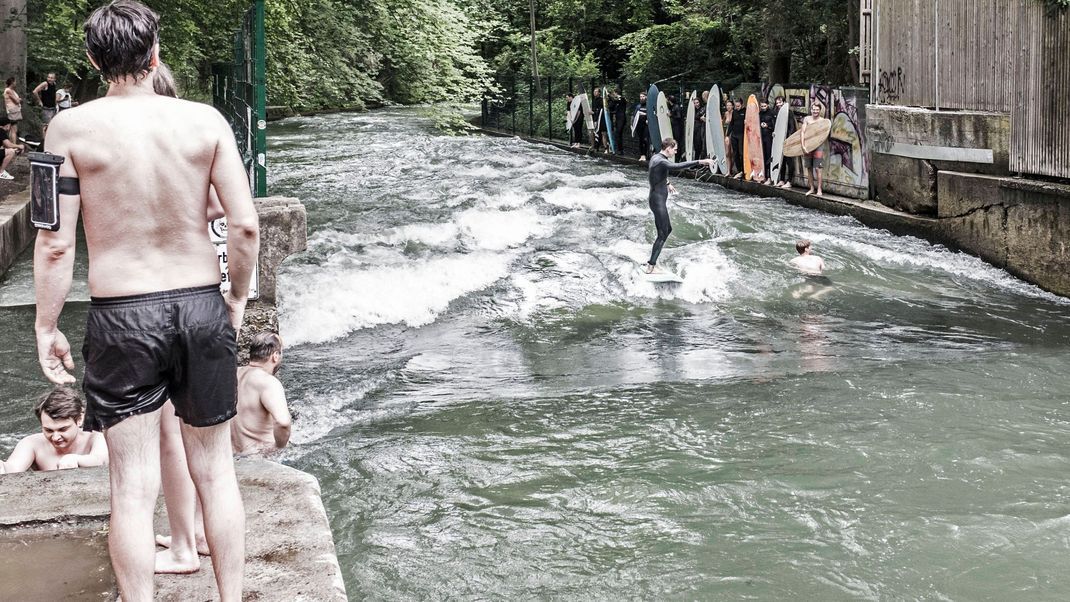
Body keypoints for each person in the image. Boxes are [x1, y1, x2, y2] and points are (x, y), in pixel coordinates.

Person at [34, 3, 259, 601]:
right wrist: (234, 296)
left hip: (122, 312)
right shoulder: (206, 121)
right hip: (199, 304)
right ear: (156, 52)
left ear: (91, 60)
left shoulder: (68, 129)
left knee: (131, 487)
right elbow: (244, 225)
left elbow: (55, 243)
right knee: (216, 471)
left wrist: (45, 325)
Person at [645, 138, 714, 273]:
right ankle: (651, 266)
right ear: (668, 148)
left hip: (656, 199)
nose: (675, 152)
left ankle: (652, 262)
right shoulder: (661, 160)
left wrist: (667, 183)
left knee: (667, 230)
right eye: (675, 149)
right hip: (657, 201)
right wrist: (700, 161)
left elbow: (657, 173)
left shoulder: (656, 158)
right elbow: (676, 167)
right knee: (663, 233)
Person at [1, 388, 109, 473]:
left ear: (80, 419)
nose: (55, 437)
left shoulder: (96, 438)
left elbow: (100, 460)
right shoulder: (32, 444)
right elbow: (11, 469)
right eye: (48, 430)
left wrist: (76, 459)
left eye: (63, 429)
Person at [231, 332, 292, 455]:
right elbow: (283, 422)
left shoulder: (231, 374)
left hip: (234, 456)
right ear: (275, 356)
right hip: (262, 457)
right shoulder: (267, 382)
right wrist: (280, 448)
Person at [802, 100, 825, 196]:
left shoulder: (823, 121)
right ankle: (811, 188)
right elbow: (802, 132)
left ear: (820, 110)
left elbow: (824, 134)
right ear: (811, 110)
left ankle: (819, 189)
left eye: (817, 109)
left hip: (818, 146)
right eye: (813, 109)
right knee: (809, 167)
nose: (815, 111)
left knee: (818, 168)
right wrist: (803, 145)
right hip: (808, 145)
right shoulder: (807, 119)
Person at [773, 96, 796, 188]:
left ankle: (789, 181)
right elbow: (775, 126)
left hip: (787, 141)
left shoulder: (789, 113)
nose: (778, 105)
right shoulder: (776, 113)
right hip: (779, 141)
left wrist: (788, 139)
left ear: (784, 102)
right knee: (780, 160)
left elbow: (792, 127)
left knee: (789, 161)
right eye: (777, 103)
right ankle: (781, 180)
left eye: (780, 102)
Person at [758, 97, 775, 184]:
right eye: (762, 106)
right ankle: (764, 176)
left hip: (769, 138)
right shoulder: (760, 113)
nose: (763, 107)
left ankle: (770, 177)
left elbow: (775, 125)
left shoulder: (772, 113)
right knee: (763, 157)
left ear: (767, 105)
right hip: (762, 138)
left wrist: (767, 125)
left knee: (769, 157)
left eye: (764, 106)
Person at [728, 98, 745, 178]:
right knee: (735, 153)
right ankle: (739, 170)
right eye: (735, 106)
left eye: (738, 106)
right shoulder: (734, 112)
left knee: (741, 153)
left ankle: (744, 170)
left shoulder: (745, 111)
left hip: (742, 135)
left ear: (742, 104)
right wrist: (728, 135)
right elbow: (731, 123)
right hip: (734, 134)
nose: (737, 108)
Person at [633, 90, 649, 161]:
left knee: (645, 140)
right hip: (639, 126)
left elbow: (652, 114)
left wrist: (647, 118)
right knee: (641, 140)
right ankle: (642, 155)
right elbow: (634, 116)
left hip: (646, 126)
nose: (641, 98)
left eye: (643, 96)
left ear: (646, 97)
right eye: (640, 97)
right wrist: (632, 125)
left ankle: (645, 155)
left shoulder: (649, 105)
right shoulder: (638, 106)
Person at [4, 77, 21, 145]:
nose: (16, 83)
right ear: (12, 82)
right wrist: (19, 99)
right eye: (15, 82)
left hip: (13, 111)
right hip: (13, 111)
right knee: (14, 130)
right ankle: (13, 145)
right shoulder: (9, 90)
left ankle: (11, 144)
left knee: (12, 129)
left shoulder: (11, 90)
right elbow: (16, 101)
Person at [611, 90, 627, 156]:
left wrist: (610, 96)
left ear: (616, 93)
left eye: (614, 93)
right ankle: (619, 150)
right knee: (617, 134)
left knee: (618, 133)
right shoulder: (616, 102)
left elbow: (619, 101)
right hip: (617, 119)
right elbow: (611, 107)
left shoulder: (622, 99)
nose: (613, 95)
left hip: (622, 118)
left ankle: (620, 150)